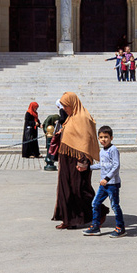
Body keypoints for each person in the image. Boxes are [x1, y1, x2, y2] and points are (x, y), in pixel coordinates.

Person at [52, 91, 103, 230]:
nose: (64, 109)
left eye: (66, 106)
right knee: (65, 189)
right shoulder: (70, 118)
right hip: (66, 160)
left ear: (73, 104)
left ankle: (99, 211)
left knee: (79, 189)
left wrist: (84, 161)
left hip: (79, 160)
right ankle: (68, 218)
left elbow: (86, 140)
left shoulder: (83, 118)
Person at [84, 125, 126, 237]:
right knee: (95, 203)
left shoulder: (113, 150)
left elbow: (116, 166)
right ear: (98, 138)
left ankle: (120, 227)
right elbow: (102, 165)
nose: (103, 139)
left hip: (112, 184)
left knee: (115, 205)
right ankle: (95, 226)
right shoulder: (102, 151)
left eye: (106, 137)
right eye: (101, 137)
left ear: (111, 137)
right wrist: (88, 167)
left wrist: (107, 178)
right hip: (104, 184)